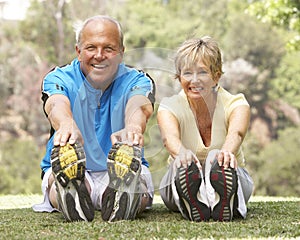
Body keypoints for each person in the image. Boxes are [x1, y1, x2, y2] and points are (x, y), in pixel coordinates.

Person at [32, 15, 156, 222]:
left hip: (123, 168)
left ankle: (123, 191)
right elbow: (55, 104)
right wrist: (66, 124)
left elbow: (140, 105)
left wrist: (133, 126)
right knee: (60, 182)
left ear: (121, 53)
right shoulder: (59, 77)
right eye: (91, 48)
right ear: (78, 51)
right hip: (76, 167)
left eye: (109, 48)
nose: (99, 55)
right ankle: (71, 189)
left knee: (137, 186)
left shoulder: (137, 79)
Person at [158, 36, 253, 222]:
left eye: (202, 72)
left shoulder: (236, 103)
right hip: (179, 174)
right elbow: (170, 139)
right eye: (187, 73)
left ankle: (222, 195)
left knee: (214, 158)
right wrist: (182, 153)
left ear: (216, 76)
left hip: (231, 172)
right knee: (183, 165)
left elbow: (237, 133)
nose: (194, 80)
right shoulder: (169, 106)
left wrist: (225, 153)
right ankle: (196, 196)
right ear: (178, 77)